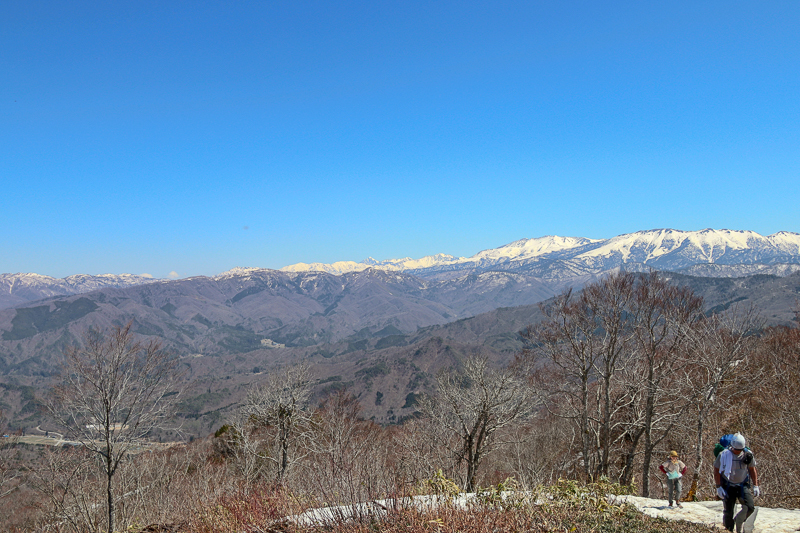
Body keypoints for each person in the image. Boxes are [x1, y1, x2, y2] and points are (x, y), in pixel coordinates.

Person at [713, 432, 760, 532]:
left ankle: (739, 520)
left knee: (750, 506)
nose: (738, 452)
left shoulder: (748, 455)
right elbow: (716, 470)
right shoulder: (723, 455)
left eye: (740, 450)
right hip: (728, 485)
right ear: (732, 446)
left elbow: (752, 469)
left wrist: (756, 485)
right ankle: (729, 529)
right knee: (728, 511)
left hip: (742, 484)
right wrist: (718, 486)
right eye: (736, 450)